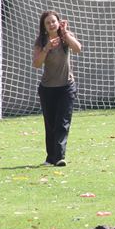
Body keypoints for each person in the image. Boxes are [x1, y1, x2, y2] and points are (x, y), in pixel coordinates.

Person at [32, 10, 82, 167]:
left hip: (66, 87)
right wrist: (46, 48)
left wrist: (66, 34)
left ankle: (59, 157)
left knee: (62, 122)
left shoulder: (65, 37)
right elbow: (37, 64)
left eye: (53, 21)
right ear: (44, 27)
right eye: (48, 23)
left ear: (58, 22)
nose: (51, 24)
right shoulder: (41, 41)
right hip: (47, 89)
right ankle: (50, 158)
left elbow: (78, 48)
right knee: (50, 124)